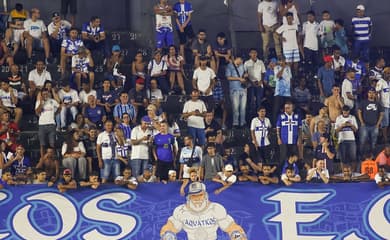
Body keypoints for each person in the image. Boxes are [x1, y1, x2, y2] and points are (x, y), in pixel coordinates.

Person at [161, 181, 247, 240]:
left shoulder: (216, 208)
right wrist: (168, 235)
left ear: (205, 195)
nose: (197, 198)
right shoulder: (181, 211)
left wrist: (237, 235)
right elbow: (170, 227)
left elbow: (231, 226)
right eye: (194, 196)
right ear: (189, 197)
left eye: (200, 195)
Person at [358, 87, 384, 155]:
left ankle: (372, 157)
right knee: (362, 142)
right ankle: (361, 156)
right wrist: (362, 122)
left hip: (374, 126)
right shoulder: (363, 102)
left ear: (375, 94)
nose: (371, 94)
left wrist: (378, 124)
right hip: (365, 126)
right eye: (370, 93)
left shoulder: (378, 103)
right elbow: (359, 112)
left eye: (373, 93)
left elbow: (381, 114)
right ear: (367, 94)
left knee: (373, 143)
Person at [226, 56, 248, 128]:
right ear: (236, 59)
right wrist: (239, 79)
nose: (241, 61)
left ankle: (242, 123)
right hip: (234, 90)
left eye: (242, 60)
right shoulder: (229, 66)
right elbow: (228, 77)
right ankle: (235, 123)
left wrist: (245, 76)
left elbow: (245, 75)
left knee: (243, 108)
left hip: (243, 89)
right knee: (235, 108)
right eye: (240, 59)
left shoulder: (242, 66)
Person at [244, 48, 266, 118]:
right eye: (252, 53)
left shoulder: (260, 62)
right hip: (251, 84)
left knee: (259, 102)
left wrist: (261, 81)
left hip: (259, 84)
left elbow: (263, 73)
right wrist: (251, 82)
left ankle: (259, 117)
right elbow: (245, 74)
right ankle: (251, 118)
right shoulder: (246, 63)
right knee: (251, 102)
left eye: (255, 52)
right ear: (249, 54)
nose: (254, 54)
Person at [335, 106, 358, 171]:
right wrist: (342, 126)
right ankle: (344, 172)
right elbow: (336, 131)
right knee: (343, 158)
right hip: (342, 140)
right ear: (342, 111)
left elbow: (355, 130)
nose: (345, 112)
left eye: (347, 111)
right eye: (344, 111)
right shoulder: (338, 118)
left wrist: (351, 125)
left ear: (349, 111)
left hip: (351, 139)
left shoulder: (352, 117)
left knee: (353, 157)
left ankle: (352, 172)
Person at [276, 12, 300, 76]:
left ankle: (296, 75)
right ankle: (289, 75)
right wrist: (281, 38)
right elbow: (276, 33)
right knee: (289, 63)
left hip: (295, 47)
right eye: (288, 18)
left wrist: (298, 40)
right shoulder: (284, 26)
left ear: (292, 18)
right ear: (286, 19)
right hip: (287, 48)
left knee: (296, 62)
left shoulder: (295, 25)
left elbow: (298, 33)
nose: (289, 19)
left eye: (290, 18)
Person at [376, 67, 390, 143]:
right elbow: (377, 94)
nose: (389, 75)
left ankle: (387, 136)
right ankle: (385, 139)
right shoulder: (380, 82)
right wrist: (379, 106)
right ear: (384, 73)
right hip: (384, 105)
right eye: (387, 73)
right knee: (385, 123)